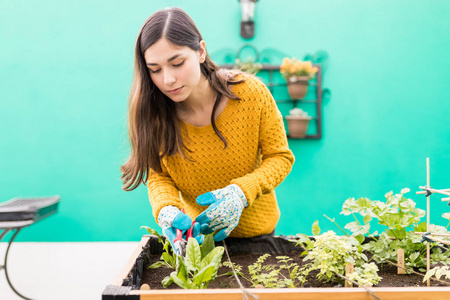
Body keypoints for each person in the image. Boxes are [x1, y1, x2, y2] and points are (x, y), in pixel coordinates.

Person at [120, 7, 294, 252]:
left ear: (201, 51)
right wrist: (166, 209)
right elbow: (159, 176)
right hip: (198, 242)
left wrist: (240, 193)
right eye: (155, 69)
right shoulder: (156, 114)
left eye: (177, 63)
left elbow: (280, 157)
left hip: (259, 241)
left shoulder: (250, 94)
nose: (167, 79)